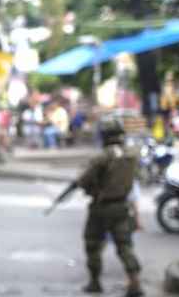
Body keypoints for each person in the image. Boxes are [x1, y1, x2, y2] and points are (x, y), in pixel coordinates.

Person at [75, 117, 143, 297]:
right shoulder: (132, 155)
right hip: (122, 207)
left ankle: (95, 282)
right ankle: (135, 283)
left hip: (101, 208)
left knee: (92, 244)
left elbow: (84, 180)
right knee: (125, 246)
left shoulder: (101, 158)